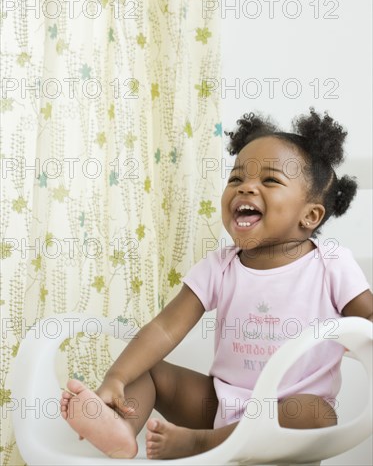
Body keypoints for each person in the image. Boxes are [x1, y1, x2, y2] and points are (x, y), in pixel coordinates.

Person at [60, 108, 373, 460]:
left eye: (270, 181)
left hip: (290, 417)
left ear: (310, 215)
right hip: (220, 403)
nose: (246, 187)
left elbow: (367, 318)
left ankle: (201, 443)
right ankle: (118, 426)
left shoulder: (330, 262)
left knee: (317, 413)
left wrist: (353, 336)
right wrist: (116, 377)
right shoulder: (220, 266)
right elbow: (165, 329)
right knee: (147, 368)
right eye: (236, 179)